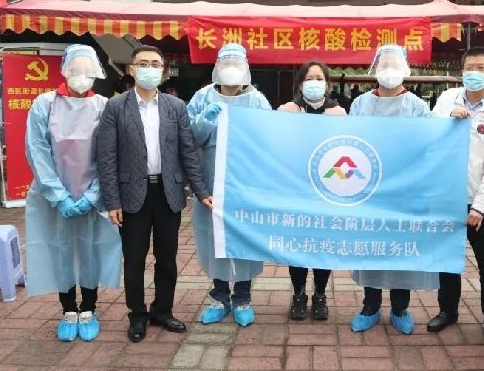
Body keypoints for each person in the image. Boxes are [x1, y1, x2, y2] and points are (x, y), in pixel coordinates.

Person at [96, 45, 212, 343]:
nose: (149, 69)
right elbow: (106, 157)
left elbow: (188, 152)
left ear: (164, 70)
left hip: (167, 193)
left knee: (167, 258)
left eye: (155, 64)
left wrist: (201, 191)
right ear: (131, 69)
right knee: (134, 260)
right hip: (131, 195)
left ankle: (163, 310)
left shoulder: (176, 107)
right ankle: (137, 314)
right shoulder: (116, 107)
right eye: (143, 63)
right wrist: (112, 201)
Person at [24, 44, 121, 342]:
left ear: (96, 73)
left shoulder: (104, 106)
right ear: (64, 71)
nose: (81, 75)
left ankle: (89, 308)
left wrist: (94, 194)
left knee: (91, 250)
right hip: (54, 196)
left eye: (87, 70)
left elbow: (111, 154)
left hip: (93, 196)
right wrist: (58, 196)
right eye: (75, 69)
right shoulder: (44, 104)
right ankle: (68, 309)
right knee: (60, 249)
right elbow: (37, 151)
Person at [428, 46, 484, 337]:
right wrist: (447, 119)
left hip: (479, 203)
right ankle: (447, 310)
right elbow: (428, 133)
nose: (474, 73)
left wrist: (479, 206)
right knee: (447, 259)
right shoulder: (446, 99)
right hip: (446, 197)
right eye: (469, 68)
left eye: (480, 68)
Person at [348, 44, 435, 335]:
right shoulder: (360, 104)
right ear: (375, 68)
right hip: (369, 190)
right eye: (383, 64)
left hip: (404, 193)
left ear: (405, 68)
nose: (389, 70)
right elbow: (350, 142)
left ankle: (400, 307)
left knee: (400, 249)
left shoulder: (418, 107)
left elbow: (428, 146)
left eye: (394, 64)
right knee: (371, 247)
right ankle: (370, 306)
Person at [186, 43, 271, 327]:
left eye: (237, 63)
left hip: (245, 178)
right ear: (217, 67)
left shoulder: (257, 100)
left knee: (243, 236)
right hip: (211, 178)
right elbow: (188, 139)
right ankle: (220, 296)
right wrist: (204, 120)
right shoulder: (202, 97)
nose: (231, 69)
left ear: (246, 68)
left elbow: (267, 142)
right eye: (226, 63)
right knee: (214, 237)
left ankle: (243, 297)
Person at [277, 61, 345, 320]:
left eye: (319, 79)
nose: (314, 83)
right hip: (294, 189)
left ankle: (320, 294)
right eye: (309, 78)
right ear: (300, 84)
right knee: (297, 245)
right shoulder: (286, 111)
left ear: (327, 85)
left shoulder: (339, 113)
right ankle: (298, 294)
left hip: (327, 190)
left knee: (322, 245)